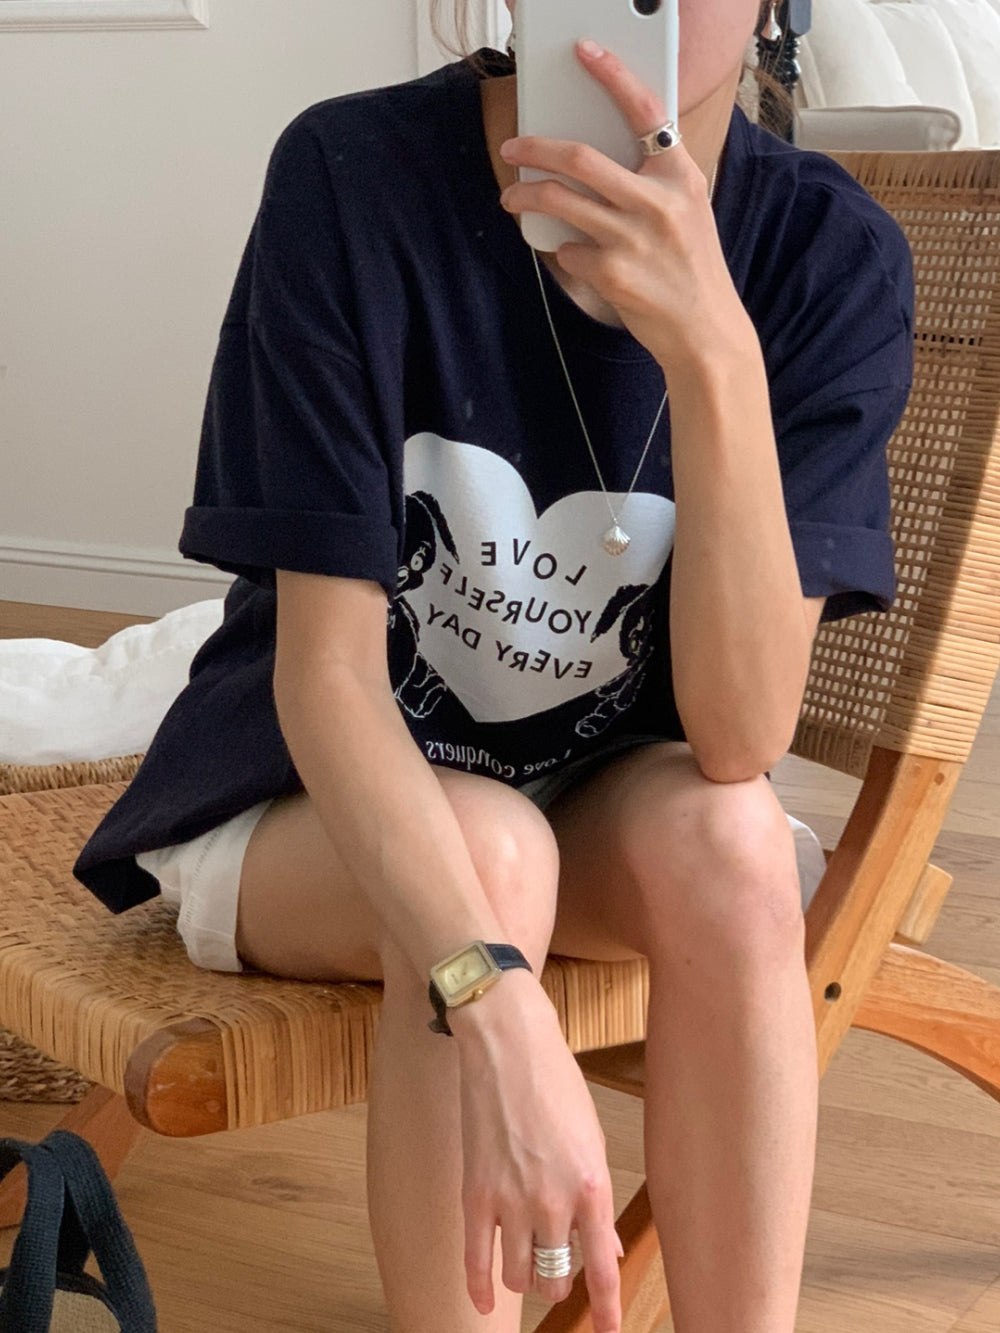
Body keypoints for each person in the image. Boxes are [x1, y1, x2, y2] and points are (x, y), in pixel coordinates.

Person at [74, 0, 915, 1329]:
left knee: (739, 845)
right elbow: (326, 679)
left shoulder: (825, 254)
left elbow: (738, 734)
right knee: (490, 852)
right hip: (313, 807)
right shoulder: (353, 176)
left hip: (594, 798)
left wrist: (713, 352)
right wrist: (501, 1011)